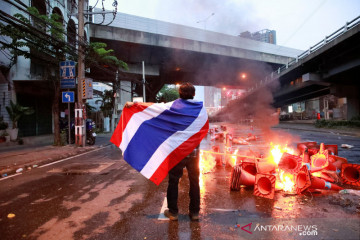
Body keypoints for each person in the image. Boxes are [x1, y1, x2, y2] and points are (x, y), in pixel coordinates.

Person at [125, 82, 203, 221]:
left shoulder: (173, 107)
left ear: (179, 93)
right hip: (193, 153)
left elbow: (153, 107)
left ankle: (173, 212)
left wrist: (134, 104)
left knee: (173, 181)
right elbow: (202, 129)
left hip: (176, 152)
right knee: (194, 182)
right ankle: (195, 212)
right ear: (194, 94)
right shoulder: (200, 108)